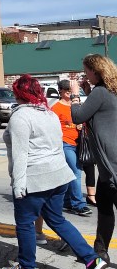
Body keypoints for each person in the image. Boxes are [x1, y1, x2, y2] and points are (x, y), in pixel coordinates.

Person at [2, 73, 106, 269]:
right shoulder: (48, 113)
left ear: (19, 94)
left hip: (34, 179)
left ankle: (26, 267)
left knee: (25, 223)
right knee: (57, 220)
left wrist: (18, 185)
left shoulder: (21, 117)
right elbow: (57, 146)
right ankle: (91, 260)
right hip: (58, 176)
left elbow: (21, 154)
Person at [71, 54, 117, 264]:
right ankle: (100, 251)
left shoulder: (100, 92)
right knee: (104, 206)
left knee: (107, 207)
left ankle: (100, 251)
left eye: (86, 71)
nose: (85, 75)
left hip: (112, 164)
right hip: (108, 165)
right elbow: (101, 113)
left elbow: (78, 117)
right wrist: (88, 92)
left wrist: (75, 96)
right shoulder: (109, 90)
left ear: (96, 71)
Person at [51, 79, 91, 216]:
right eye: (67, 91)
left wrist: (82, 125)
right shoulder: (56, 108)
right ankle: (79, 204)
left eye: (71, 91)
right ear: (61, 91)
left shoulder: (76, 105)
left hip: (79, 143)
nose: (70, 93)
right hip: (65, 143)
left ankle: (67, 201)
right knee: (76, 172)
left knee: (70, 173)